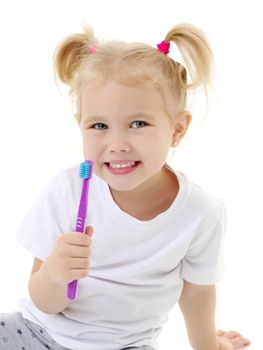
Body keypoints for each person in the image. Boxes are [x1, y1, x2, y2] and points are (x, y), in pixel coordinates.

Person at [0, 23, 251, 350]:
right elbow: (45, 304)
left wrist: (210, 346)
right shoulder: (66, 191)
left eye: (138, 124)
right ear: (81, 127)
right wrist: (54, 275)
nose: (117, 143)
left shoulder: (200, 213)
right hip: (36, 334)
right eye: (99, 125)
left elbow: (198, 292)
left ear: (177, 128)